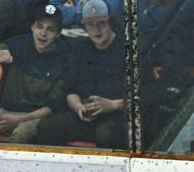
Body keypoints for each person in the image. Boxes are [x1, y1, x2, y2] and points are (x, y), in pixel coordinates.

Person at [0, 4, 72, 144]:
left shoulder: (66, 58)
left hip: (36, 118)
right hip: (5, 112)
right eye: (39, 26)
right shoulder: (17, 44)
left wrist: (19, 119)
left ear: (58, 33)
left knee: (21, 134)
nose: (43, 33)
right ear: (32, 27)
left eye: (50, 29)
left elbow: (51, 108)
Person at [34, 0, 126, 149]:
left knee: (106, 134)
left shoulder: (129, 48)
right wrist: (78, 107)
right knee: (48, 127)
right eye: (90, 25)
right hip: (88, 116)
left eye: (101, 24)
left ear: (110, 22)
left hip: (119, 116)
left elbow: (148, 95)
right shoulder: (81, 49)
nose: (96, 30)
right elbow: (71, 90)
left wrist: (113, 104)